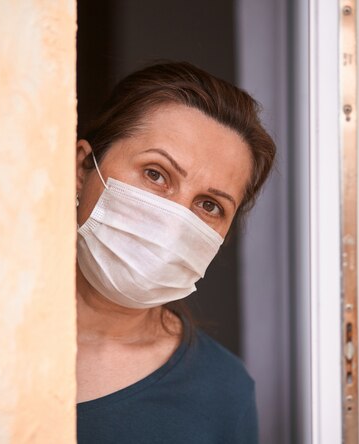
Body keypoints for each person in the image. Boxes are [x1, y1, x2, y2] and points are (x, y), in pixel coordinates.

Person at [75, 61, 275, 443]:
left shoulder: (224, 393)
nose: (174, 220)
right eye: (156, 174)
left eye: (210, 205)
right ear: (82, 170)